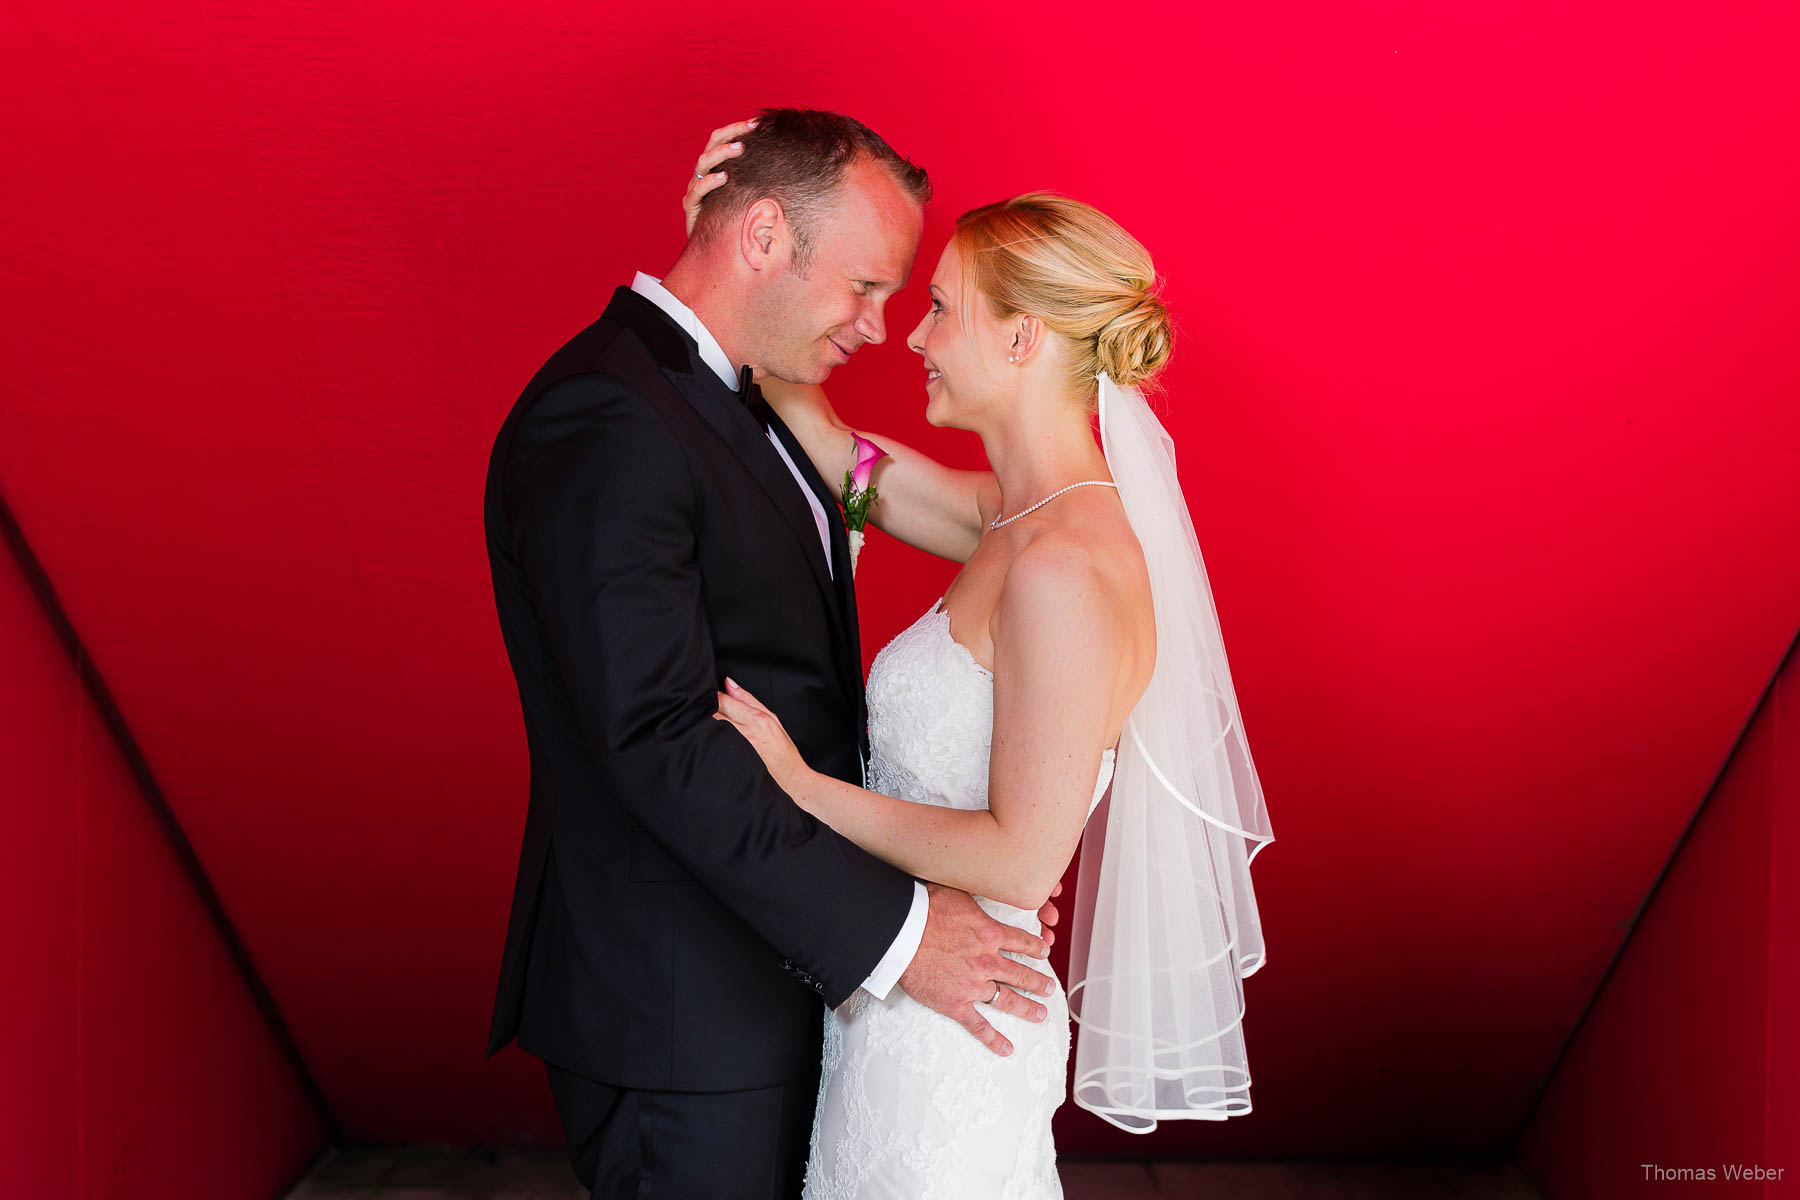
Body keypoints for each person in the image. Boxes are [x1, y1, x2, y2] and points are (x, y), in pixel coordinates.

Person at [481, 108, 1070, 1200]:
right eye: (868, 287)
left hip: (782, 980)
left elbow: (842, 495)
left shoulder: (747, 399)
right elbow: (660, 742)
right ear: (761, 238)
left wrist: (963, 871)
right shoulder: (607, 419)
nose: (883, 328)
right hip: (681, 1011)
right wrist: (902, 931)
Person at [691, 134, 1276, 1196]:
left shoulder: (1065, 567)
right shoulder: (1009, 520)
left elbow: (1018, 863)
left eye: (943, 308)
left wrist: (797, 787)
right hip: (899, 1010)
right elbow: (835, 453)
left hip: (960, 1038)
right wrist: (734, 254)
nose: (912, 334)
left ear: (1023, 337)